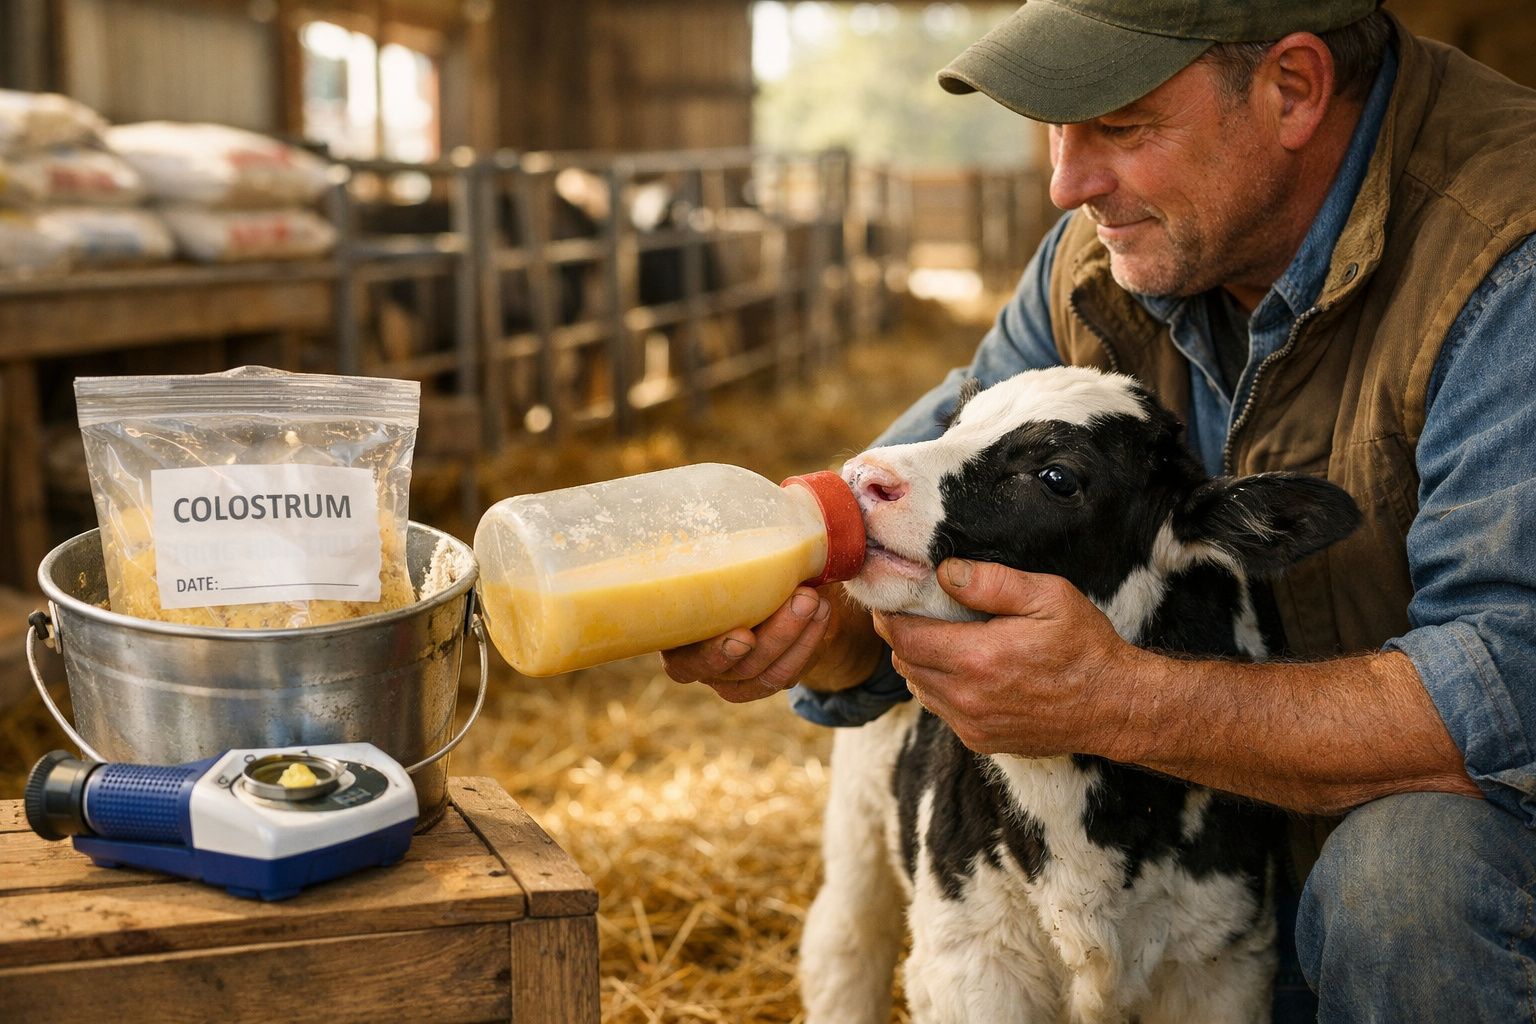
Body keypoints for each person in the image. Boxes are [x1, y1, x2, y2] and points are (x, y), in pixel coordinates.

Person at [663, 1, 1536, 1019]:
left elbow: (1509, 685)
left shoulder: (1504, 267)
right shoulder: (1097, 265)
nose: (1066, 184)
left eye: (1121, 127)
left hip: (1410, 875)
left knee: (1409, 882)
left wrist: (1117, 701)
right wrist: (819, 625)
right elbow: (929, 495)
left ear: (1293, 89)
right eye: (1057, 129)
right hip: (1181, 883)